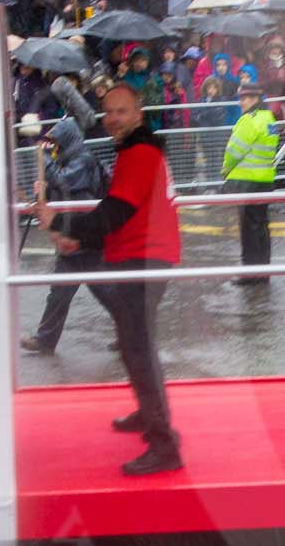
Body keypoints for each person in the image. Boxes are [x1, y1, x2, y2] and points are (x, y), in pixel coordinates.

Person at [30, 85, 184, 475]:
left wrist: (61, 223)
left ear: (138, 114)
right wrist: (72, 235)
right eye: (108, 112)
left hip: (144, 259)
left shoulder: (139, 153)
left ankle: (164, 443)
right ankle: (150, 415)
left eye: (121, 111)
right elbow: (118, 211)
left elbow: (114, 213)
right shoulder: (140, 151)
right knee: (135, 340)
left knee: (137, 346)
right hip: (141, 255)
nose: (112, 118)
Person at [20, 118, 109, 354]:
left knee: (109, 293)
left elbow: (66, 181)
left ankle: (132, 331)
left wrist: (45, 160)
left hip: (88, 239)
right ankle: (45, 339)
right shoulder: (69, 160)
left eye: (56, 144)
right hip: (70, 239)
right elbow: (60, 188)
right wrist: (44, 189)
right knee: (59, 293)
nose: (54, 148)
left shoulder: (85, 159)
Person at [221, 81, 279, 284]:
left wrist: (225, 170)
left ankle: (250, 273)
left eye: (246, 98)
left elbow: (234, 151)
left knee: (249, 231)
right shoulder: (268, 118)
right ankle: (262, 272)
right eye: (241, 98)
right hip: (264, 180)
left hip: (246, 182)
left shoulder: (249, 120)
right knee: (261, 227)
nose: (242, 102)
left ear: (256, 99)